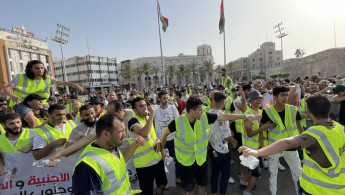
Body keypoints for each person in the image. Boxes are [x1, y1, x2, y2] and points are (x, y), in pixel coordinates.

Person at [239, 95, 345, 195]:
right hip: (339, 187)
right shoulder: (340, 128)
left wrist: (258, 152)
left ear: (308, 112)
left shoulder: (314, 133)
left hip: (317, 189)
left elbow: (287, 142)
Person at [160, 97, 261, 195]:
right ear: (191, 111)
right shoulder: (177, 122)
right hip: (185, 163)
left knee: (202, 186)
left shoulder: (204, 117)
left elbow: (224, 117)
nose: (202, 111)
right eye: (200, 110)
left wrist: (246, 116)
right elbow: (165, 134)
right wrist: (162, 152)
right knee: (189, 189)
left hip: (201, 161)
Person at [72, 114, 144, 195]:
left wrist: (134, 145)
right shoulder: (86, 165)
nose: (124, 135)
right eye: (121, 131)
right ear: (105, 134)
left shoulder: (110, 146)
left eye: (124, 130)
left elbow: (120, 162)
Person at [2, 60, 83, 126]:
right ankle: (33, 137)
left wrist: (74, 85)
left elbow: (60, 82)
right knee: (32, 121)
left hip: (41, 103)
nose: (40, 70)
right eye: (37, 68)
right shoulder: (20, 77)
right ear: (31, 69)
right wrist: (12, 96)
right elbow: (7, 89)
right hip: (20, 102)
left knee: (54, 116)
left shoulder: (47, 78)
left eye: (42, 68)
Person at [260, 86, 303, 195]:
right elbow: (262, 131)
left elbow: (299, 127)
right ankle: (273, 193)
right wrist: (263, 148)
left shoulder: (293, 109)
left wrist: (304, 142)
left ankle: (300, 192)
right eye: (282, 95)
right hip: (274, 147)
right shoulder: (267, 111)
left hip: (291, 147)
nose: (285, 97)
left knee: (298, 174)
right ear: (274, 96)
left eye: (286, 95)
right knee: (273, 174)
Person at [127, 97, 167, 195]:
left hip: (157, 159)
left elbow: (153, 136)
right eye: (141, 106)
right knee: (147, 191)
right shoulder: (132, 121)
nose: (145, 107)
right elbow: (144, 133)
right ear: (134, 110)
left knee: (162, 184)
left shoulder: (147, 119)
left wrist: (158, 141)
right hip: (144, 164)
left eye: (145, 105)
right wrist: (152, 114)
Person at [241, 90, 275, 195]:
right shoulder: (248, 115)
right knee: (256, 173)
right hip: (249, 149)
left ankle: (244, 181)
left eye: (260, 98)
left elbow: (260, 132)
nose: (258, 100)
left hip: (257, 149)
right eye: (256, 98)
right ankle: (247, 191)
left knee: (254, 169)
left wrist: (263, 147)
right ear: (250, 101)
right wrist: (264, 127)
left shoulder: (260, 112)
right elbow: (249, 134)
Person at [208, 92, 238, 195]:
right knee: (225, 175)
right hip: (223, 151)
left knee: (214, 174)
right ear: (224, 102)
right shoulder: (223, 116)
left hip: (212, 149)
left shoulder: (209, 113)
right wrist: (235, 141)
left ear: (214, 101)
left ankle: (214, 192)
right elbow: (227, 137)